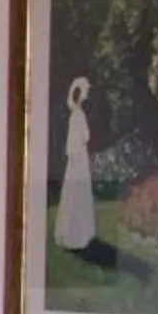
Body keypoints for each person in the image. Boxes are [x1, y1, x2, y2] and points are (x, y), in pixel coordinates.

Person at [55, 76, 98, 252]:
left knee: (72, 191)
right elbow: (86, 137)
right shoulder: (79, 116)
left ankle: (72, 230)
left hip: (74, 158)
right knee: (79, 191)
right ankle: (78, 234)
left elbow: (71, 141)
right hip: (80, 158)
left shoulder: (74, 115)